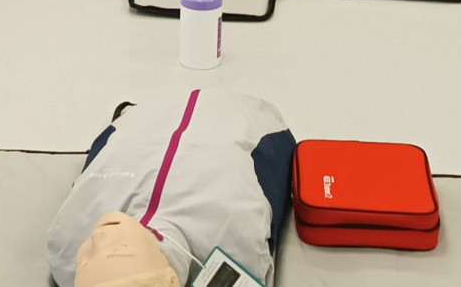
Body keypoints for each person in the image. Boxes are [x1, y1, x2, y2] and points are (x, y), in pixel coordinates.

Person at [47, 89, 295, 286]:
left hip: (155, 116)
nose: (103, 239)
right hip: (220, 116)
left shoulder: (66, 249)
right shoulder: (64, 246)